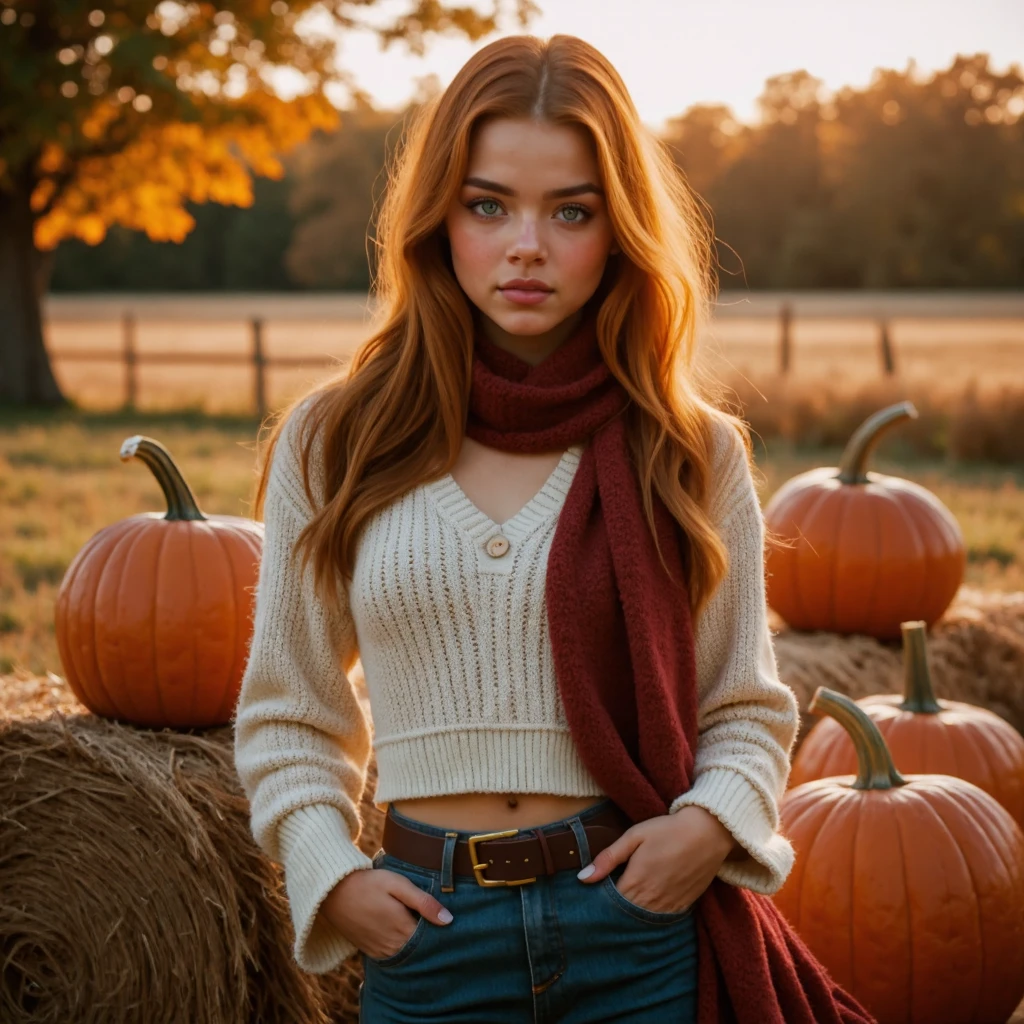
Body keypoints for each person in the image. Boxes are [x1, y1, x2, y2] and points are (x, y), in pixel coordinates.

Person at [233, 33, 873, 1024]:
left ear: (616, 229)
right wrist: (336, 877)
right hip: (428, 934)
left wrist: (704, 829)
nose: (524, 244)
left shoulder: (687, 448)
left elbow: (744, 708)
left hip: (635, 925)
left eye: (568, 211)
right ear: (439, 218)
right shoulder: (338, 436)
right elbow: (288, 715)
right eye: (488, 205)